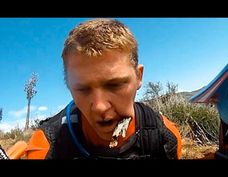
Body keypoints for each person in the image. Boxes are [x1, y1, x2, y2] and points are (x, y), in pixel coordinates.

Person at [15, 18, 182, 159]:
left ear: (138, 77)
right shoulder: (47, 146)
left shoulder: (164, 138)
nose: (100, 106)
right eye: (82, 89)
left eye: (115, 85)